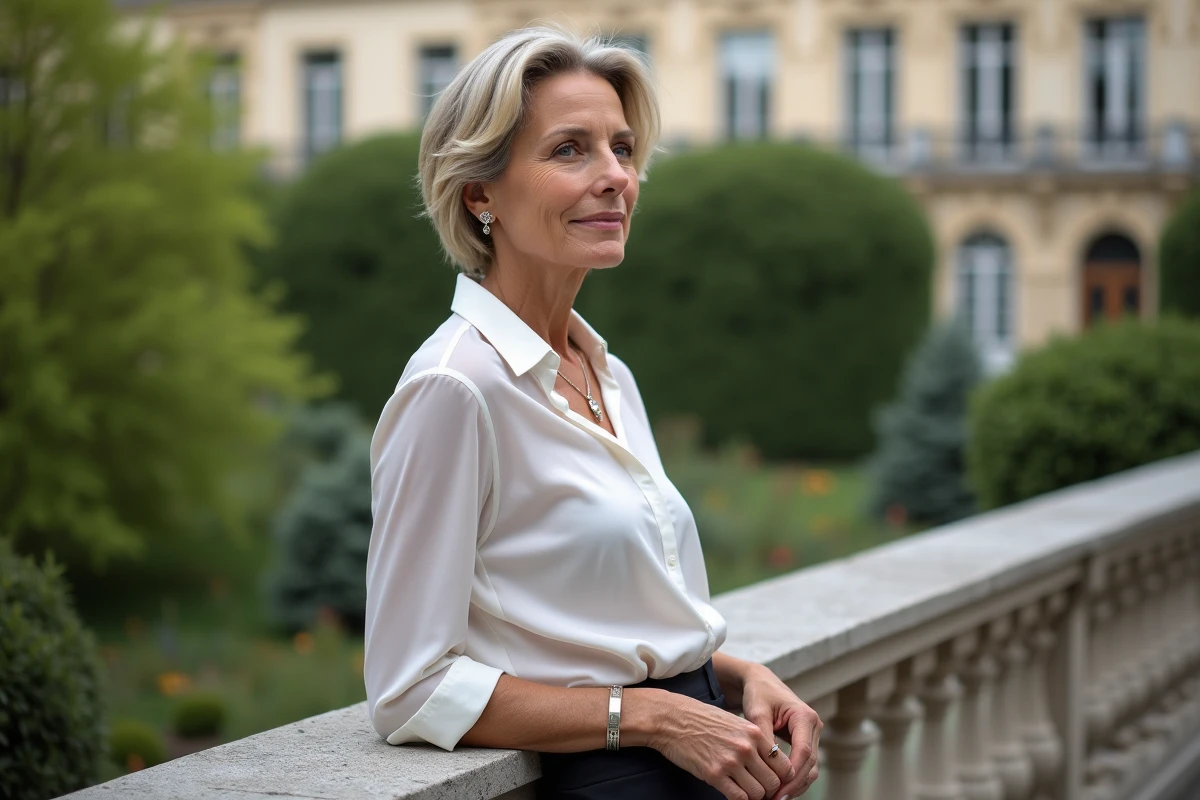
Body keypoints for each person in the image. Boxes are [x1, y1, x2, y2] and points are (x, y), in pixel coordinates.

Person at [362, 25, 822, 800]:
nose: (616, 177)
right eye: (570, 150)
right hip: (622, 778)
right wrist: (652, 719)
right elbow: (411, 688)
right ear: (480, 194)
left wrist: (742, 677)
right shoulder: (454, 388)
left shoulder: (609, 375)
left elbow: (606, 627)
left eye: (623, 147)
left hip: (710, 754)